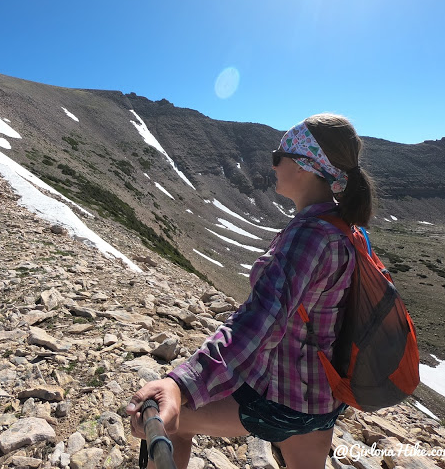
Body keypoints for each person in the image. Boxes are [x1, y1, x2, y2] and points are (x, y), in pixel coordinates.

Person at [126, 113, 375, 469]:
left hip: (283, 400)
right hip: (322, 401)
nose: (272, 165)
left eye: (279, 156)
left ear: (304, 166)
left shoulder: (309, 235)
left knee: (174, 420)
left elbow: (261, 322)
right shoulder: (344, 228)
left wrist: (180, 386)